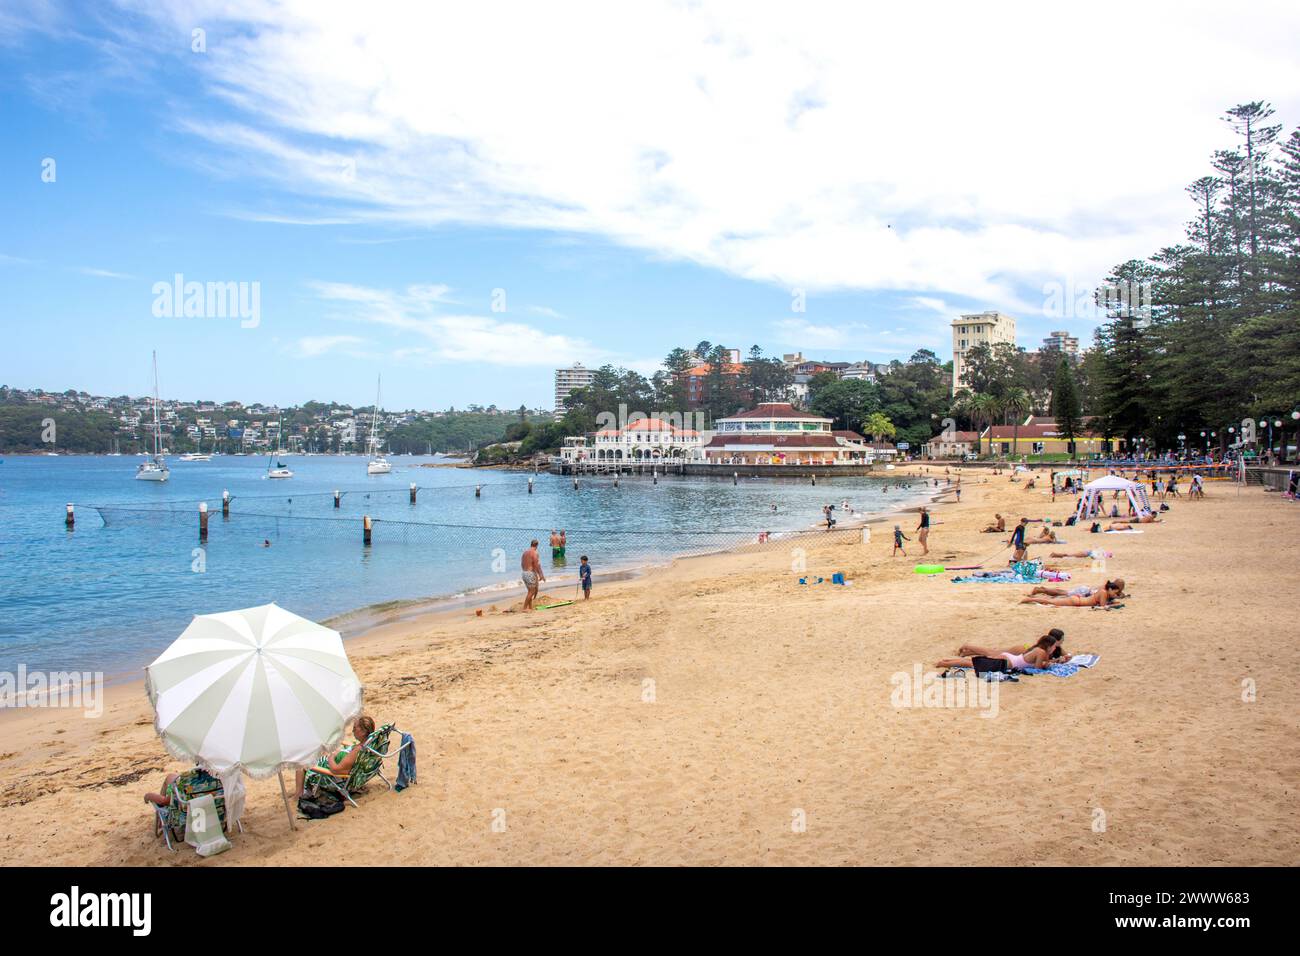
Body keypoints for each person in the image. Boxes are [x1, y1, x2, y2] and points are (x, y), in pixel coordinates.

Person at [295, 715, 377, 798]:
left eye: (355, 728)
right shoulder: (369, 747)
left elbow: (335, 770)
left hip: (334, 778)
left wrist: (331, 756)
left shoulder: (357, 751)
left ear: (363, 732)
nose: (352, 731)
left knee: (300, 764)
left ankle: (298, 794)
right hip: (341, 769)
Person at [936, 632, 1065, 670]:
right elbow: (1037, 668)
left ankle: (947, 661)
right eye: (1054, 647)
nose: (1055, 649)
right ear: (1049, 646)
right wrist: (1048, 665)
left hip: (1009, 659)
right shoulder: (1042, 653)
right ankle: (944, 663)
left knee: (975, 661)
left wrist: (1053, 661)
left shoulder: (1039, 650)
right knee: (974, 663)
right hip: (1008, 662)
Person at [956, 628, 1070, 663]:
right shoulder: (1049, 647)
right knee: (992, 653)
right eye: (1062, 640)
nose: (1063, 641)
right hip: (1022, 650)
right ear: (1057, 640)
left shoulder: (1056, 647)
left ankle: (968, 652)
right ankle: (968, 645)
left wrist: (1064, 658)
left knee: (993, 652)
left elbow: (1067, 655)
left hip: (1026, 648)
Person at [144, 765, 217, 809]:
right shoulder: (219, 781)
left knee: (172, 778)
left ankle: (161, 813)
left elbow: (165, 801)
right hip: (211, 809)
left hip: (187, 811)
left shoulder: (188, 782)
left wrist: (148, 796)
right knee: (172, 777)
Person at [1020, 580, 1123, 607]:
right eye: (1115, 592)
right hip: (1078, 599)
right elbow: (1103, 606)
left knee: (1057, 596)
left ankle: (1038, 593)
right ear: (1110, 589)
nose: (1116, 595)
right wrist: (1115, 605)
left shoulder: (1104, 592)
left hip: (1079, 598)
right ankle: (1032, 598)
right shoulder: (1104, 592)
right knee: (1051, 601)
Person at [1029, 578, 1126, 599]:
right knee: (1062, 593)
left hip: (1084, 590)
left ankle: (1043, 589)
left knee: (1062, 592)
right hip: (1084, 592)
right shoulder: (1109, 589)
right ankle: (1040, 590)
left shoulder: (1110, 587)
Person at [521, 539, 545, 610]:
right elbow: (537, 565)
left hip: (524, 573)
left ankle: (530, 607)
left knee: (530, 591)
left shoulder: (525, 553)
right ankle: (524, 608)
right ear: (537, 545)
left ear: (531, 544)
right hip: (530, 573)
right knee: (532, 591)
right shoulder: (534, 553)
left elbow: (522, 564)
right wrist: (541, 575)